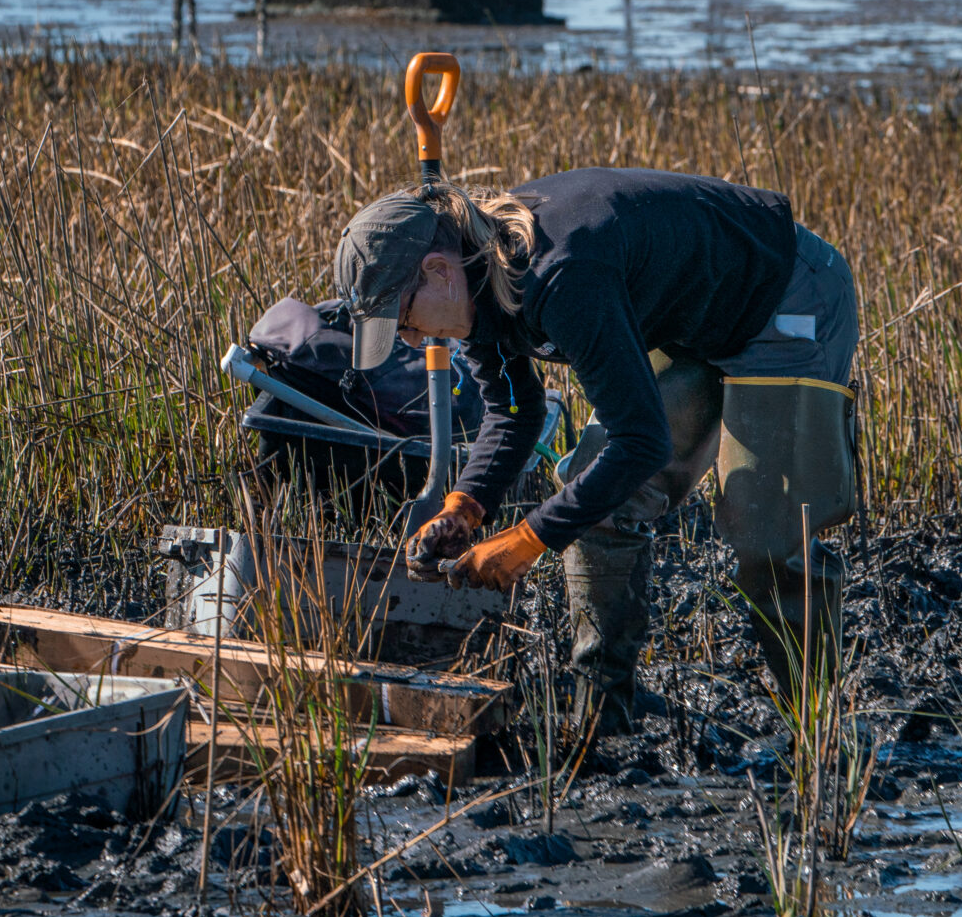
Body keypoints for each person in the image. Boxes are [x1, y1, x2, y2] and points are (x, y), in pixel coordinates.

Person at [333, 167, 859, 724]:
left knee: (765, 533)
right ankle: (602, 719)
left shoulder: (561, 278)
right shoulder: (479, 289)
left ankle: (820, 730)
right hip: (694, 322)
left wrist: (530, 539)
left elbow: (641, 442)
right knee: (595, 492)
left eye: (406, 320)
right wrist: (464, 506)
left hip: (785, 293)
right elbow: (513, 412)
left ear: (438, 271)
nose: (413, 340)